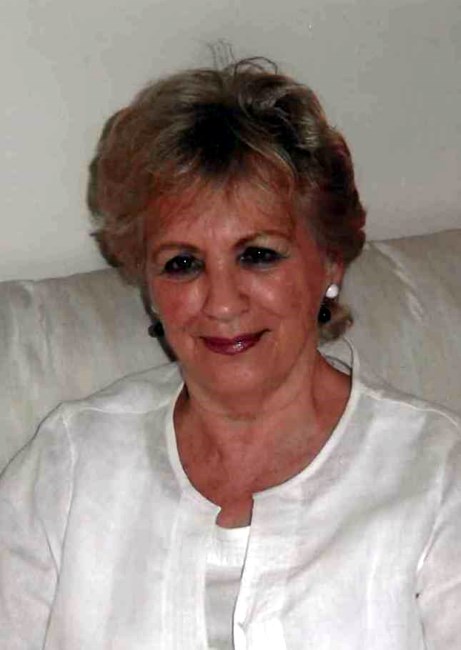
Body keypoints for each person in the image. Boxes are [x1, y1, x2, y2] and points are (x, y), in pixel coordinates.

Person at [1, 58, 460, 650]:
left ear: (330, 261)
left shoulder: (436, 475)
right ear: (149, 284)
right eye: (183, 264)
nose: (221, 302)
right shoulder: (72, 462)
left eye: (258, 255)